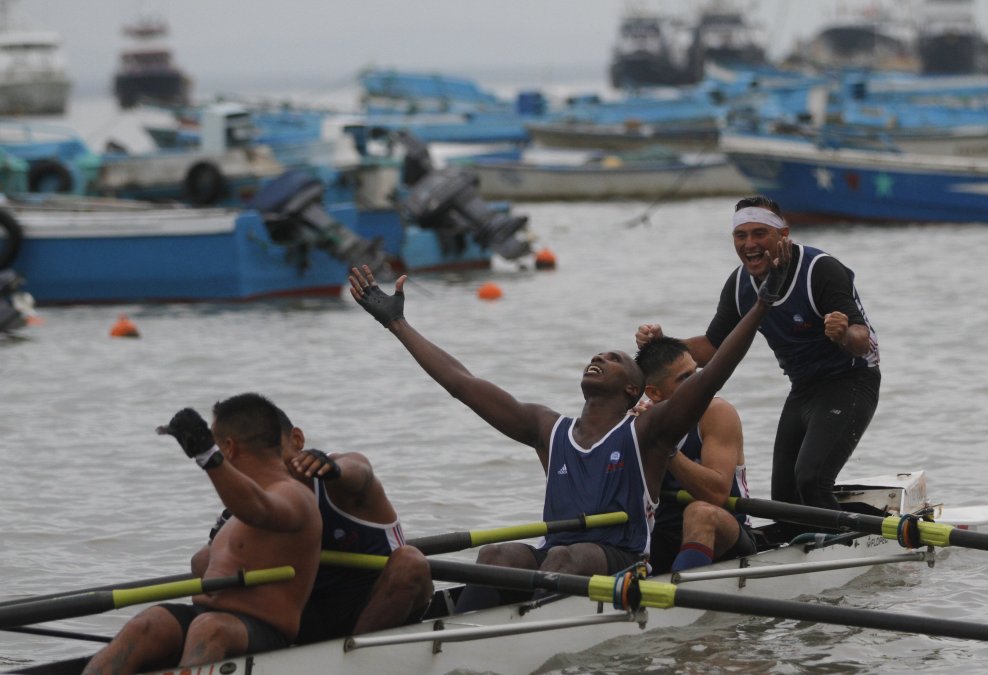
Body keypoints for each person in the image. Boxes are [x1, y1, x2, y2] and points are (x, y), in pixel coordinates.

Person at [346, 257, 785, 601]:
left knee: (564, 556)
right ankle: (462, 635)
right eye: (597, 355)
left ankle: (534, 633)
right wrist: (397, 324)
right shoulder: (546, 428)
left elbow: (713, 376)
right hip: (559, 556)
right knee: (496, 555)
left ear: (635, 389)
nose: (600, 357)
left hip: (622, 559)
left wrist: (761, 305)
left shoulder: (648, 432)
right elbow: (463, 383)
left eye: (613, 358)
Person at [636, 196, 880, 525]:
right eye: (741, 236)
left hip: (851, 381)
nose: (750, 245)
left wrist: (843, 335)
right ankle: (820, 540)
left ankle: (862, 536)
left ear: (784, 235)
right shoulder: (739, 285)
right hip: (803, 388)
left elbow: (862, 340)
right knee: (784, 495)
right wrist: (663, 342)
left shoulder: (820, 270)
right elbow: (710, 348)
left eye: (759, 234)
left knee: (810, 477)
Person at [84, 394, 322, 675]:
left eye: (218, 444)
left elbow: (258, 509)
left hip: (261, 630)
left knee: (209, 629)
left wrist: (207, 455)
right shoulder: (236, 512)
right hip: (205, 615)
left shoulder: (295, 496)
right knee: (146, 624)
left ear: (229, 448)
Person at [193, 405, 434, 645]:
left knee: (410, 562)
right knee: (204, 559)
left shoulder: (338, 477)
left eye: (271, 451)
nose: (260, 465)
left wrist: (336, 471)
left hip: (381, 604)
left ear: (297, 439)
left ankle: (355, 660)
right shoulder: (247, 505)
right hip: (303, 616)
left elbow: (359, 468)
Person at [634, 336, 757, 573]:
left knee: (699, 512)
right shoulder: (639, 420)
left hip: (725, 538)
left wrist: (665, 448)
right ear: (654, 392)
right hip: (662, 538)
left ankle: (678, 596)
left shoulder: (717, 413)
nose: (701, 382)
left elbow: (716, 494)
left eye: (697, 372)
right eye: (686, 378)